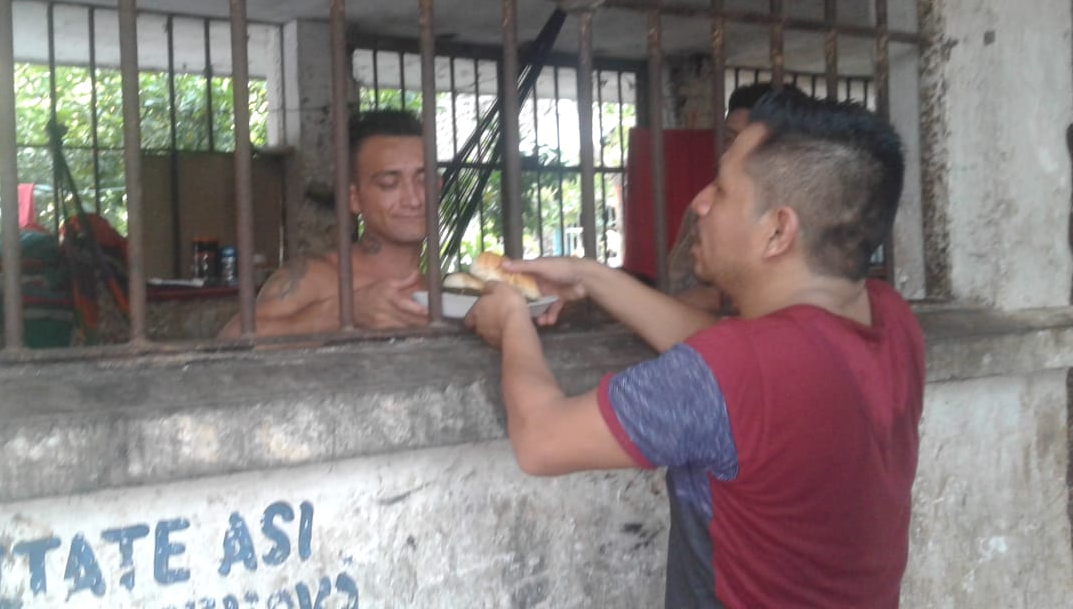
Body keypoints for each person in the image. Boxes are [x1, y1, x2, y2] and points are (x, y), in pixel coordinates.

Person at [465, 90, 924, 607]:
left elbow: (541, 440)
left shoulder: (739, 368)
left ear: (778, 231)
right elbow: (729, 357)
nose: (699, 203)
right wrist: (590, 276)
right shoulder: (891, 319)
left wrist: (512, 320)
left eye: (721, 189)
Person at [220, 109, 431, 337]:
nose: (414, 199)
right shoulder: (316, 277)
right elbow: (231, 338)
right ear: (353, 198)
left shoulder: (438, 290)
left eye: (424, 179)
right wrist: (345, 313)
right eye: (389, 183)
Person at [668, 82, 808, 310]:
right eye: (729, 138)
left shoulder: (814, 212)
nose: (733, 150)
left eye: (745, 139)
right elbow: (678, 287)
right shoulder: (706, 207)